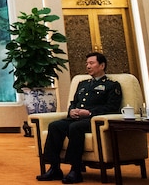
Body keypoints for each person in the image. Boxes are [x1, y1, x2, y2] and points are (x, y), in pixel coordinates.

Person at [36, 52, 122, 184]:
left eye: (91, 63)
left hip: (93, 121)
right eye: (87, 63)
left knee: (75, 127)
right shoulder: (83, 84)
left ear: (102, 65)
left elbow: (112, 107)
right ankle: (54, 168)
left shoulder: (111, 86)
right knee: (55, 126)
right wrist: (71, 111)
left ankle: (75, 170)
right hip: (76, 118)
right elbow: (74, 103)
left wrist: (89, 112)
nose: (88, 66)